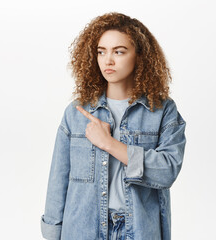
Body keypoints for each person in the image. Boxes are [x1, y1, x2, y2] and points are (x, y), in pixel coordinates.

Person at [40, 12, 187, 240]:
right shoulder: (77, 113)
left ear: (139, 56)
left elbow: (166, 171)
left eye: (119, 51)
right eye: (101, 52)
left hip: (138, 231)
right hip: (82, 230)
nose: (108, 60)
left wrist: (109, 144)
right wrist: (52, 231)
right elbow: (58, 179)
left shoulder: (161, 111)